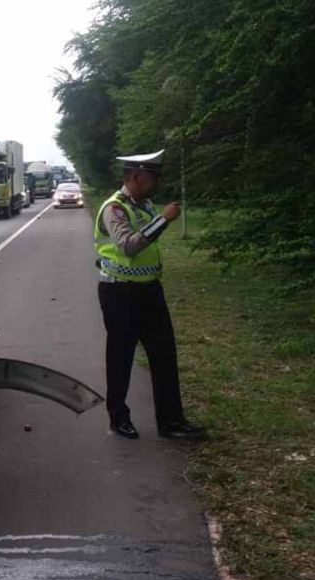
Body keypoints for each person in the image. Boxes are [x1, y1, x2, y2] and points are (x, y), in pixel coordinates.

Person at [94, 149, 203, 439]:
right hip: (119, 292)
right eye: (152, 177)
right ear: (136, 176)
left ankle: (171, 421)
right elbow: (129, 246)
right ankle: (118, 418)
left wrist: (159, 218)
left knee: (164, 354)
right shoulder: (113, 208)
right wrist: (164, 220)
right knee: (121, 356)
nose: (156, 182)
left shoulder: (145, 205)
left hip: (150, 291)